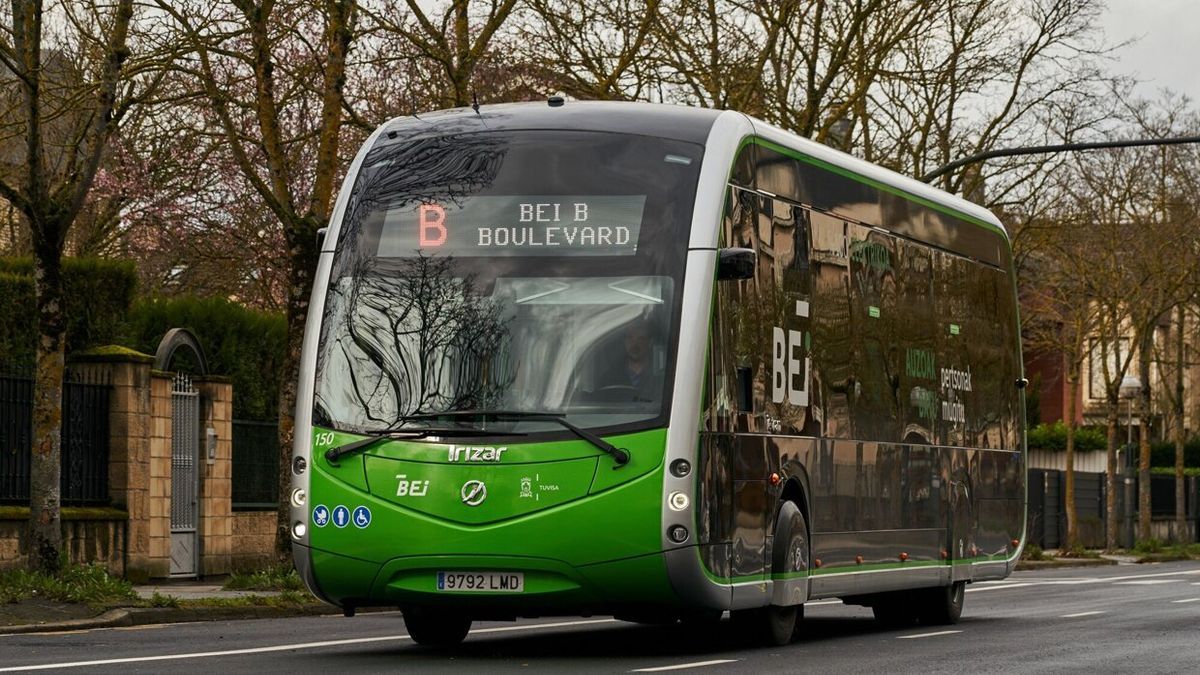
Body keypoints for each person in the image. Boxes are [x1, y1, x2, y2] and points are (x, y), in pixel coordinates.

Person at [595, 317, 663, 403]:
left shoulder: (662, 378)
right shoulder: (609, 378)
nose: (635, 344)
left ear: (650, 342)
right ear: (624, 341)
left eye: (641, 338)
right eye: (630, 338)